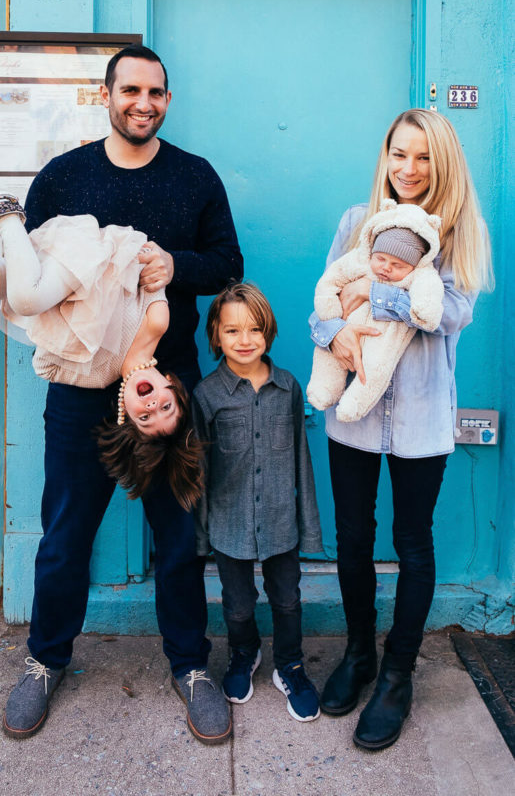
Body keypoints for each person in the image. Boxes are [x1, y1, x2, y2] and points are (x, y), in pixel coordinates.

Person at [0, 44, 241, 743]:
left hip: (165, 386)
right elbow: (27, 273)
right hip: (78, 386)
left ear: (166, 99)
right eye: (130, 90)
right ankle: (43, 661)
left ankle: (190, 667)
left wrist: (175, 263)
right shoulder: (63, 177)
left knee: (179, 535)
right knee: (66, 532)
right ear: (106, 95)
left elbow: (226, 264)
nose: (143, 103)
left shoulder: (194, 177)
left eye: (155, 92)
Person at [309, 108, 492, 751]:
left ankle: (396, 675)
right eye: (398, 154)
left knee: (412, 541)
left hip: (420, 416)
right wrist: (336, 332)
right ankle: (359, 655)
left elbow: (448, 315)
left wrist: (380, 294)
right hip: (353, 410)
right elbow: (323, 306)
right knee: (353, 537)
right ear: (384, 156)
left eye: (423, 159)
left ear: (441, 166)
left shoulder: (456, 235)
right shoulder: (356, 224)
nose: (408, 170)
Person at [0, 189, 204, 509]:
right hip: (92, 259)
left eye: (145, 416)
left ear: (126, 415)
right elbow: (146, 263)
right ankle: (6, 214)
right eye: (166, 406)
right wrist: (151, 259)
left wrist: (67, 342)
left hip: (51, 283)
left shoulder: (97, 376)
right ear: (172, 387)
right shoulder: (157, 324)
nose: (151, 404)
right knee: (26, 300)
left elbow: (44, 365)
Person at [192, 281, 323, 721]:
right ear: (215, 335)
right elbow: (201, 471)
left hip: (280, 521)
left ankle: (290, 666)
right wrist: (201, 534)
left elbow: (301, 461)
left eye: (254, 330)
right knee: (238, 602)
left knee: (287, 599)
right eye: (232, 331)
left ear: (268, 332)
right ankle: (243, 654)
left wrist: (309, 525)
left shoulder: (288, 388)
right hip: (229, 524)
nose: (244, 341)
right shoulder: (206, 396)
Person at [306, 199, 444, 423]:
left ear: (413, 265)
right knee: (328, 354)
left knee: (375, 367)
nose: (386, 268)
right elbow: (331, 279)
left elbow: (432, 299)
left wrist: (421, 308)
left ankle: (355, 404)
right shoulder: (360, 260)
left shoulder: (421, 274)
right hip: (345, 324)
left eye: (398, 265)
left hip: (384, 337)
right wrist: (330, 314)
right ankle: (324, 388)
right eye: (381, 259)